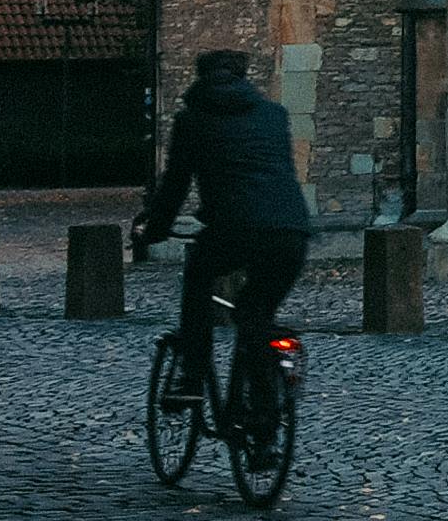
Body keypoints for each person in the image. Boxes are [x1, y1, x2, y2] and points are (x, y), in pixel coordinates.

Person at [133, 49, 314, 439]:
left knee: (198, 276)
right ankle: (264, 425)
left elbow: (175, 185)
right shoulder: (274, 115)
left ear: (201, 78)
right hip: (291, 231)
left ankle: (192, 376)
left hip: (234, 229)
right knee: (255, 314)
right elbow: (270, 173)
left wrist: (153, 231)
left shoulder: (192, 120)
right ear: (243, 76)